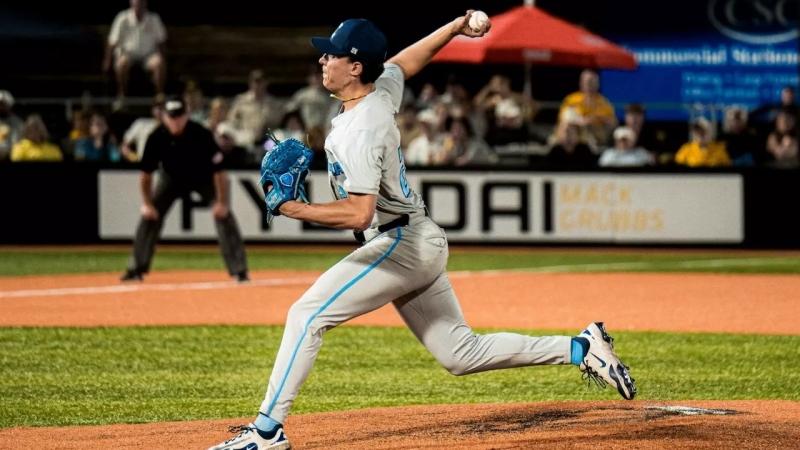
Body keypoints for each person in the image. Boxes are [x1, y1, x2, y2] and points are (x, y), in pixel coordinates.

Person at [207, 12, 636, 450]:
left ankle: (266, 431)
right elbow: (405, 62)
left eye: (331, 55)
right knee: (460, 354)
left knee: (307, 315)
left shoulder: (361, 130)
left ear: (355, 67)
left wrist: (293, 208)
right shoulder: (378, 92)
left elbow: (359, 213)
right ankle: (581, 348)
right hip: (415, 238)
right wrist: (453, 27)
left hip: (399, 244)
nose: (322, 60)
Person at [120, 96, 249, 282]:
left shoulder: (201, 133)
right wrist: (147, 204)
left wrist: (221, 202)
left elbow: (220, 172)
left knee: (224, 215)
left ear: (187, 115)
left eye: (179, 116)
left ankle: (239, 270)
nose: (176, 121)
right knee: (149, 216)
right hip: (170, 178)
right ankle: (136, 268)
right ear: (164, 117)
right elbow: (146, 174)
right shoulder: (156, 136)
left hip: (202, 177)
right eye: (171, 117)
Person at [103, 0, 167, 109]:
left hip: (148, 55)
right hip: (128, 54)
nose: (138, 6)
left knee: (159, 63)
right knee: (121, 63)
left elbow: (161, 40)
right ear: (131, 4)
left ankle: (159, 96)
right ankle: (121, 96)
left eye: (141, 3)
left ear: (145, 4)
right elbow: (112, 41)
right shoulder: (122, 18)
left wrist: (163, 57)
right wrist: (107, 60)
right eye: (136, 4)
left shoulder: (154, 18)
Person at [227, 69, 285, 149]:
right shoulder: (241, 101)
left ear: (266, 82)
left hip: (267, 140)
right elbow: (231, 121)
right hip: (245, 139)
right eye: (255, 81)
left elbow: (279, 123)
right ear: (250, 83)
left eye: (260, 81)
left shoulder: (274, 103)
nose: (257, 85)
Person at [558, 69, 617, 146]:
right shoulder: (571, 100)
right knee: (565, 127)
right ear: (581, 83)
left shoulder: (604, 102)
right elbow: (564, 118)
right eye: (587, 82)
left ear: (598, 84)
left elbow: (612, 122)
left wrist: (594, 119)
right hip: (574, 132)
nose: (589, 85)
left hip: (595, 133)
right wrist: (582, 121)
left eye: (592, 82)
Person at [121, 94, 164, 162]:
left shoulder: (173, 127)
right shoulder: (141, 123)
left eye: (162, 107)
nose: (159, 109)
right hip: (145, 165)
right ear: (152, 108)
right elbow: (124, 145)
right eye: (157, 106)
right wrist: (134, 158)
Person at [0, 90, 24, 161]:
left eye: (3, 104)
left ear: (9, 105)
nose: (1, 107)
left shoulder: (17, 122)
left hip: (12, 156)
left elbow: (18, 141)